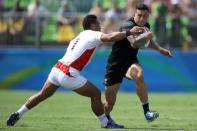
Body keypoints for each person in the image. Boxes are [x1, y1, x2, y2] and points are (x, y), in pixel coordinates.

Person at [6, 14, 144, 128]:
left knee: (42, 94)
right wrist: (129, 32)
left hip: (57, 69)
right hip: (68, 72)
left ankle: (18, 113)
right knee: (96, 94)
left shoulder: (78, 36)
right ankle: (105, 123)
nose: (100, 26)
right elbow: (110, 38)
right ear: (93, 25)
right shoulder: (92, 34)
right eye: (98, 23)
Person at [103, 4, 173, 127]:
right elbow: (134, 44)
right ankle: (105, 118)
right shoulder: (128, 25)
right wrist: (146, 36)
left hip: (130, 61)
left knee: (139, 75)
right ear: (134, 14)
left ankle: (147, 112)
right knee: (110, 103)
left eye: (144, 16)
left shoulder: (146, 26)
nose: (141, 19)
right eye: (139, 15)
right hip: (115, 64)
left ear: (148, 16)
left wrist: (160, 49)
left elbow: (148, 41)